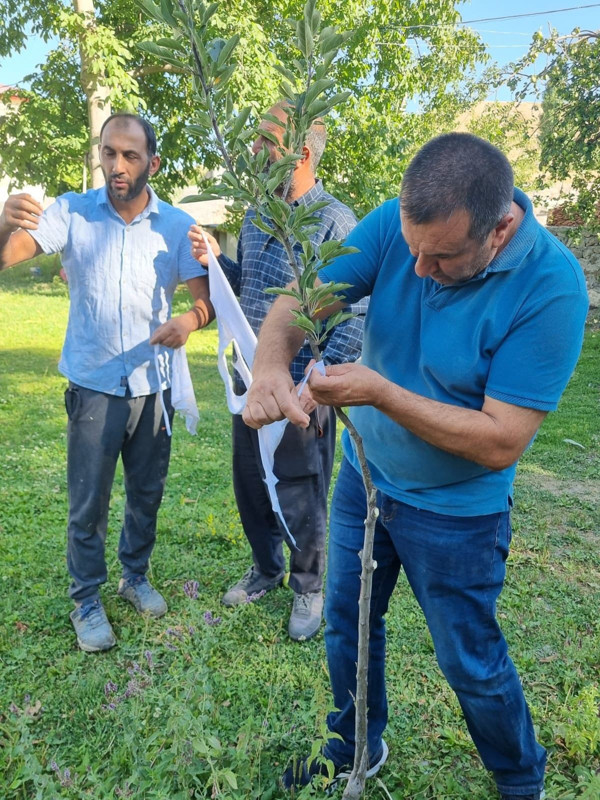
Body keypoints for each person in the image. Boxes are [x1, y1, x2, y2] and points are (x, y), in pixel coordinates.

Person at [242, 133, 588, 797]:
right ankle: (356, 747)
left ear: (503, 227)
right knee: (346, 623)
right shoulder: (394, 227)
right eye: (413, 250)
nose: (420, 271)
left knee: (469, 661)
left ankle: (521, 781)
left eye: (445, 257)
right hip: (364, 482)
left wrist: (379, 391)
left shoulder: (552, 287)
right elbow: (298, 302)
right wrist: (266, 366)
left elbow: (500, 440)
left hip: (457, 511)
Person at [0, 113, 213, 653]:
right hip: (93, 386)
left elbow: (204, 300)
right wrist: (5, 222)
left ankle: (135, 576)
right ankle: (86, 599)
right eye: (109, 153)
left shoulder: (176, 225)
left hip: (152, 386)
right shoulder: (71, 211)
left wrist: (188, 322)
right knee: (88, 502)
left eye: (131, 156)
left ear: (153, 163)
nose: (118, 166)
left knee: (146, 494)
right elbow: (6, 256)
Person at [189, 102, 367, 641]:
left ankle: (308, 587)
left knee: (301, 488)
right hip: (251, 381)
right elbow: (249, 289)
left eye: (266, 143)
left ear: (303, 152)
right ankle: (265, 568)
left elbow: (352, 317)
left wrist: (314, 388)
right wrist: (216, 260)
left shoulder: (336, 221)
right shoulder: (256, 215)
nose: (255, 152)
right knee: (252, 485)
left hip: (298, 389)